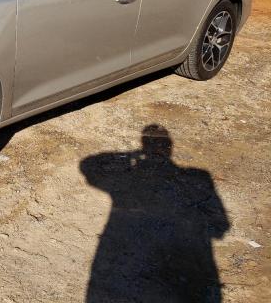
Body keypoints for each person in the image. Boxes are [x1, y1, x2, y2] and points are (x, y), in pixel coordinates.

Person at [80, 124, 230, 302]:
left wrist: (132, 155)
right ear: (170, 148)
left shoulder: (129, 178)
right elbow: (220, 227)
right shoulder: (196, 177)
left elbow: (88, 165)